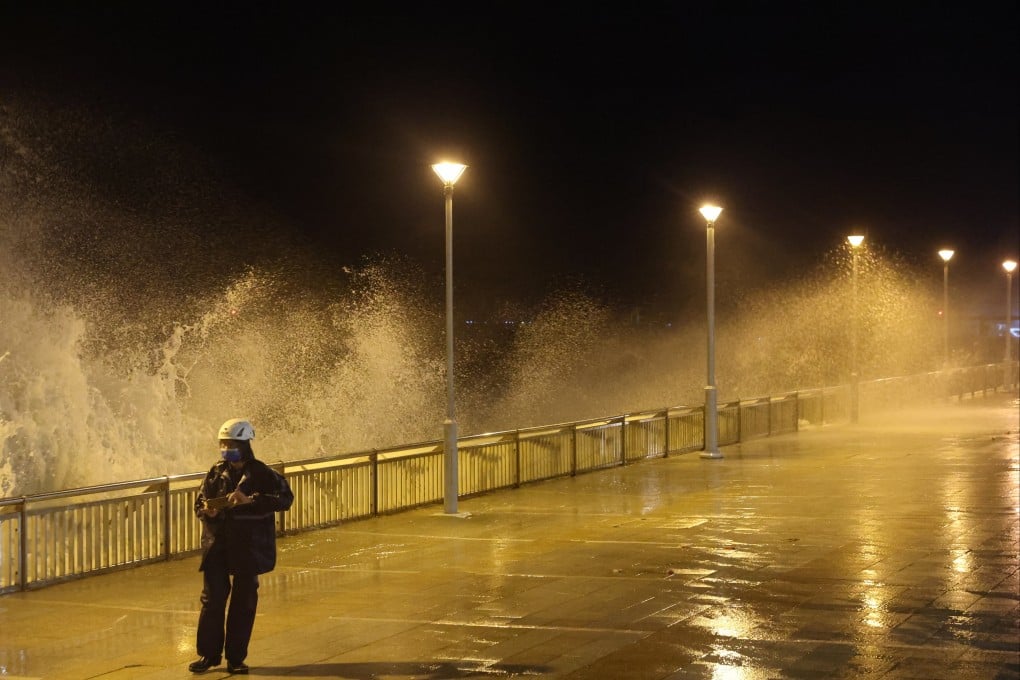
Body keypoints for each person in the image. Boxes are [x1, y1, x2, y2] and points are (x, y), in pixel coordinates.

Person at [189, 418, 293, 675]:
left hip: (249, 547)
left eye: (231, 443)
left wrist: (252, 501)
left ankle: (235, 658)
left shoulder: (262, 473)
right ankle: (208, 655)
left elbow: (285, 499)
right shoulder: (215, 472)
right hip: (218, 546)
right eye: (223, 443)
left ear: (245, 444)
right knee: (212, 600)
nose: (226, 448)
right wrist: (206, 511)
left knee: (243, 602)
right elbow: (199, 503)